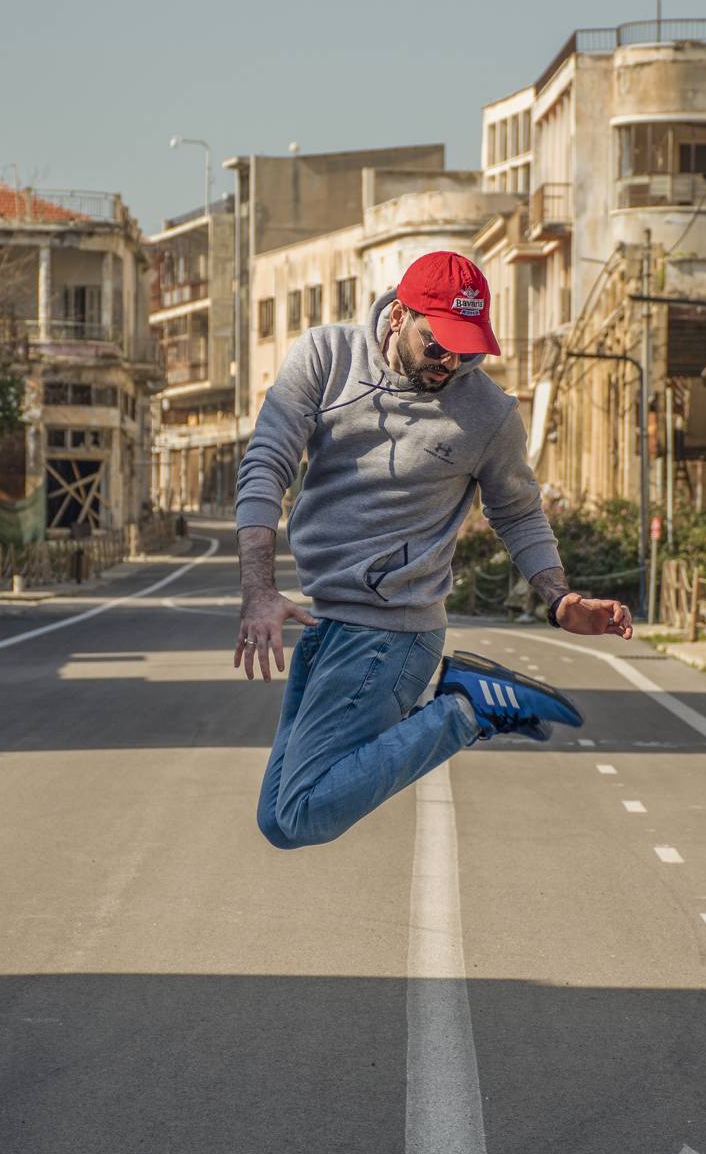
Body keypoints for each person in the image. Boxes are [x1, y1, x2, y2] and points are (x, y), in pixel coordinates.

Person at [234, 251, 634, 850]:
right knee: (277, 817)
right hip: (328, 620)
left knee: (301, 815)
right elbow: (266, 464)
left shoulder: (489, 415)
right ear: (399, 316)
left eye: (467, 349)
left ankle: (466, 711)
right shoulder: (325, 358)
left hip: (392, 633)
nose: (451, 363)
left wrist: (558, 598)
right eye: (439, 344)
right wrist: (259, 591)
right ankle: (468, 704)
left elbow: (518, 512)